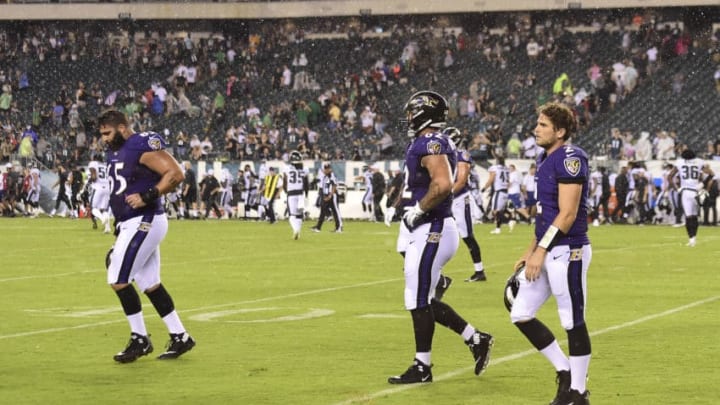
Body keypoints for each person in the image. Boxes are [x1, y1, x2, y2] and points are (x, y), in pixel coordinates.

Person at [387, 90, 493, 385]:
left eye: (412, 111)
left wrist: (418, 210)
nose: (409, 117)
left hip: (433, 227)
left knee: (417, 298)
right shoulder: (434, 141)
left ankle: (423, 367)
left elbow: (444, 184)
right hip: (432, 227)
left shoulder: (430, 142)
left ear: (423, 112)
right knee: (423, 298)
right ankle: (476, 339)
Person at [98, 110, 195, 363]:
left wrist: (148, 196)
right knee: (149, 282)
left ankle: (140, 338)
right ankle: (180, 335)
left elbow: (175, 174)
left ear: (121, 127)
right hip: (130, 223)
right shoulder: (116, 150)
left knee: (117, 277)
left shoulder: (141, 144)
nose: (104, 139)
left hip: (144, 219)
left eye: (107, 133)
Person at [510, 102, 591, 404]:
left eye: (543, 125)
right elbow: (545, 215)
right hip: (547, 249)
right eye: (538, 123)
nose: (536, 128)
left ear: (560, 131)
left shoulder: (570, 157)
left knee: (572, 320)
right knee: (520, 313)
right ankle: (565, 372)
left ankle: (579, 393)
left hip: (569, 249)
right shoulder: (545, 158)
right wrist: (530, 250)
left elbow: (568, 214)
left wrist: (540, 251)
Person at [444, 127, 488, 283]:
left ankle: (479, 271)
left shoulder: (462, 155)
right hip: (449, 199)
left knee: (467, 236)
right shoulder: (443, 156)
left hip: (459, 199)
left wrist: (446, 196)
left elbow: (461, 181)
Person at [670, 148, 703, 246]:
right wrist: (702, 185)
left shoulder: (680, 163)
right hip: (696, 191)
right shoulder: (699, 162)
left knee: (688, 217)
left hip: (686, 191)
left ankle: (691, 238)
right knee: (694, 216)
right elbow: (710, 174)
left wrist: (677, 189)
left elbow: (669, 177)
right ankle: (694, 238)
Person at [311, 163, 343, 233]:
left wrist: (330, 195)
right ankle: (318, 227)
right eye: (325, 169)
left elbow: (334, 186)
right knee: (322, 211)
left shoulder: (332, 175)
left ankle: (339, 227)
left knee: (336, 211)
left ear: (329, 169)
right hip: (326, 196)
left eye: (327, 169)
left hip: (332, 196)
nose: (325, 170)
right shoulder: (325, 176)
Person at [284, 150, 308, 239]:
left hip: (291, 193)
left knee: (291, 215)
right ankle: (298, 231)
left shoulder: (287, 168)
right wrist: (306, 195)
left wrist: (286, 192)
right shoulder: (305, 169)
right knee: (299, 215)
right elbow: (306, 183)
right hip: (301, 193)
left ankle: (295, 230)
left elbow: (285, 182)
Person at [483, 156, 510, 234]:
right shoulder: (506, 168)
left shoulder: (494, 168)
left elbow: (491, 179)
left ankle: (508, 221)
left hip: (499, 191)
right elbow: (508, 181)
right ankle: (505, 223)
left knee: (495, 211)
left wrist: (484, 188)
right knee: (499, 211)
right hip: (505, 191)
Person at [88, 159, 112, 233]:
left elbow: (94, 177)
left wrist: (90, 180)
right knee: (104, 209)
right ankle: (107, 228)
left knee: (93, 208)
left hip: (98, 188)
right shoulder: (105, 165)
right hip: (107, 188)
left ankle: (102, 219)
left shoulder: (94, 163)